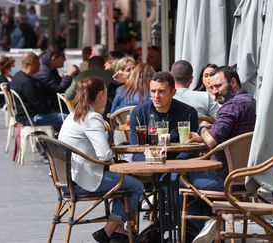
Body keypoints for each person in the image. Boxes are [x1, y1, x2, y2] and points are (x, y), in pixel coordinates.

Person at [58, 76, 143, 243]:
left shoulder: (73, 115)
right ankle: (107, 232)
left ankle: (119, 233)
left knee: (124, 181)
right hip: (83, 181)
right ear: (101, 95)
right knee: (136, 186)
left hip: (67, 179)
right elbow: (104, 155)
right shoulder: (92, 118)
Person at [186, 66, 256, 237]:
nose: (215, 92)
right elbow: (230, 133)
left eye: (218, 86)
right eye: (212, 87)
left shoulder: (231, 106)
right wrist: (208, 131)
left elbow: (211, 141)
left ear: (233, 82)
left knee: (176, 179)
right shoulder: (251, 102)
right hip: (247, 176)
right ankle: (211, 226)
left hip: (224, 178)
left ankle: (195, 233)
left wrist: (203, 129)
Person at [130, 71, 199, 161]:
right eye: (153, 91)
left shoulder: (189, 113)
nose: (156, 96)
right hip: (147, 164)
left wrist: (175, 167)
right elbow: (136, 149)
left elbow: (191, 149)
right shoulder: (138, 113)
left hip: (179, 165)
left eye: (161, 91)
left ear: (173, 92)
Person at [9, 52, 64, 131]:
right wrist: (51, 108)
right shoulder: (26, 82)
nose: (39, 65)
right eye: (38, 62)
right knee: (66, 119)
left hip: (25, 116)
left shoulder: (18, 76)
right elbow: (40, 107)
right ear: (31, 61)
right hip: (31, 118)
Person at [33, 45, 79, 111]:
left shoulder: (48, 66)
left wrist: (65, 78)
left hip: (50, 103)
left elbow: (56, 84)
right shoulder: (43, 71)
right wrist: (69, 75)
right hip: (47, 107)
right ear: (53, 58)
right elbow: (58, 90)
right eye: (63, 56)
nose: (65, 59)